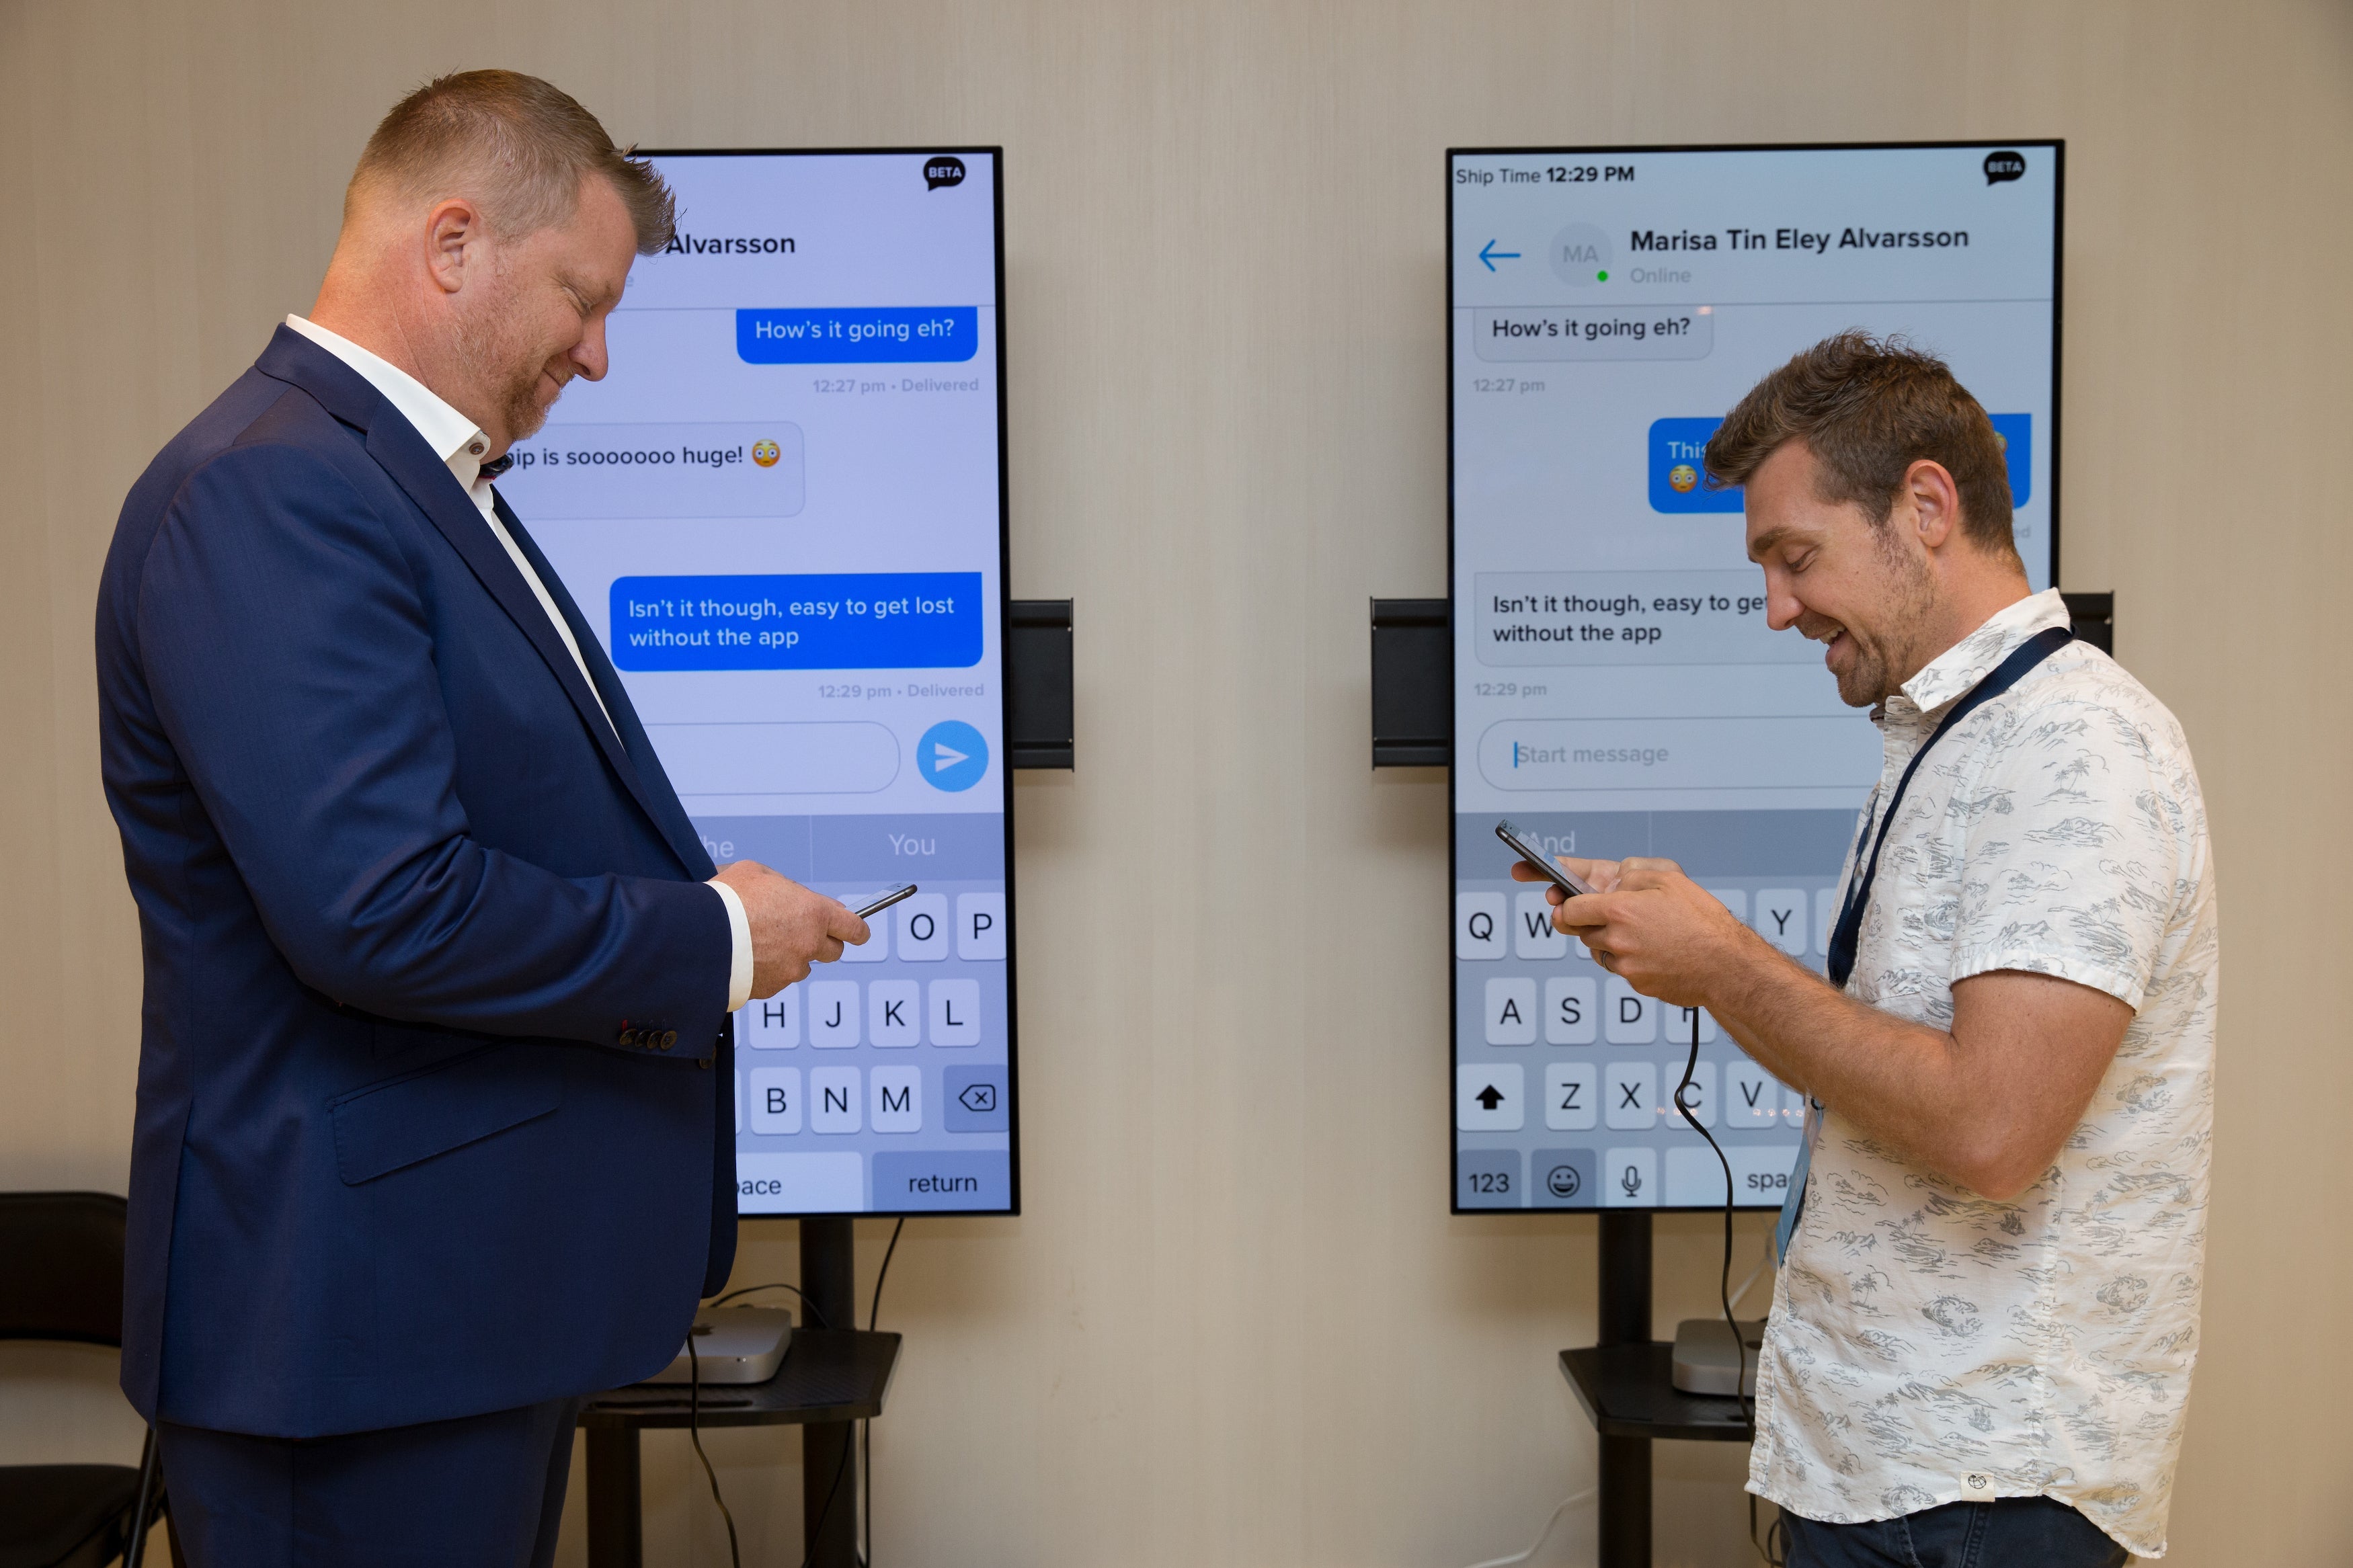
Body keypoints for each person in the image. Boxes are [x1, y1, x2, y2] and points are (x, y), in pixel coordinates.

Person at [95, 71, 864, 1566]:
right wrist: (714, 939)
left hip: (442, 1317)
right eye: (584, 299)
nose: (597, 354)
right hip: (355, 1341)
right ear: (453, 245)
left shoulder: (400, 486)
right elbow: (381, 908)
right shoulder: (275, 494)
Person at [1517, 333, 2215, 1565]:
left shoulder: (2075, 747)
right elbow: (1896, 1063)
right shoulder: (1953, 735)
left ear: (1927, 507)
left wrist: (1722, 963)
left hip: (1980, 1490)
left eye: (1796, 558)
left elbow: (1993, 1127)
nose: (1778, 608)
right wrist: (1690, 947)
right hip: (1895, 1466)